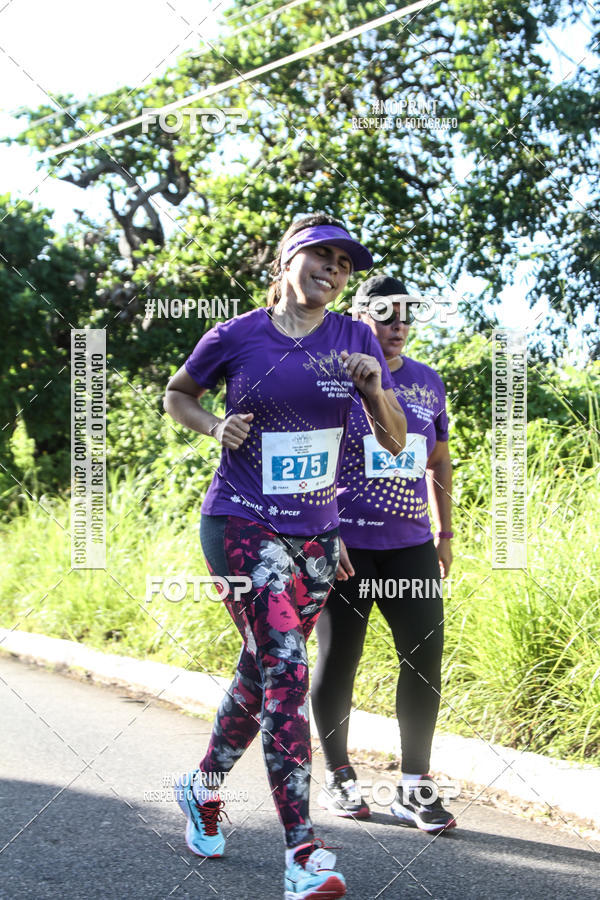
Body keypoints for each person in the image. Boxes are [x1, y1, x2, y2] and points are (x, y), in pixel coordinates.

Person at [163, 218, 407, 899]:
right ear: (287, 260)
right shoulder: (238, 335)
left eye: (342, 262)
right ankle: (303, 851)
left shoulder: (356, 337)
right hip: (240, 520)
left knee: (262, 670)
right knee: (287, 668)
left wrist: (373, 389)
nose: (331, 268)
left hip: (318, 538)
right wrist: (215, 425)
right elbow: (177, 394)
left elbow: (391, 442)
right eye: (319, 255)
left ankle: (202, 787)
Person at [311, 274, 456, 834]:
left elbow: (438, 460)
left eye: (406, 316)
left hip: (411, 544)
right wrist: (325, 529)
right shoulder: (329, 379)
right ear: (359, 315)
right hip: (347, 543)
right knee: (339, 658)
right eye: (385, 314)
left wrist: (445, 535)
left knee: (423, 660)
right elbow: (310, 456)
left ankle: (414, 788)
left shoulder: (426, 382)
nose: (398, 326)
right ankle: (339, 776)